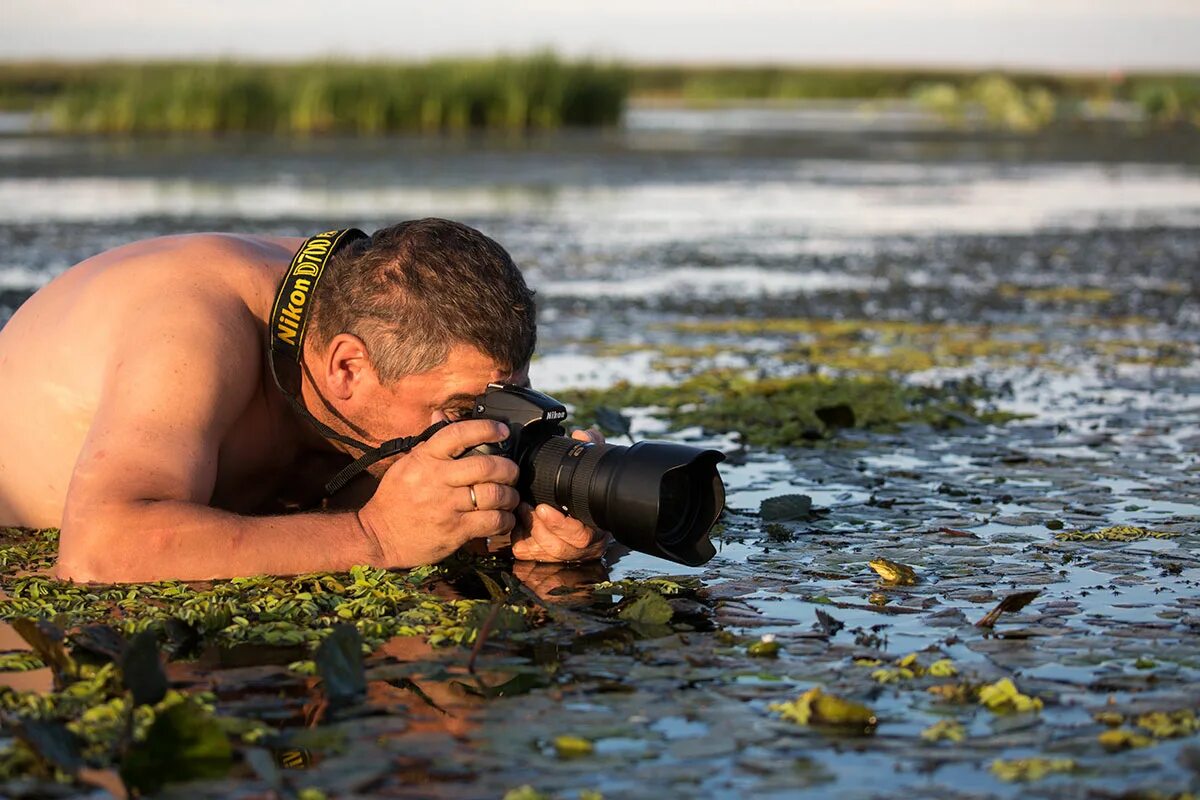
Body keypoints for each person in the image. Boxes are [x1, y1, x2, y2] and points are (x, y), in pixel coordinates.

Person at [0, 218, 609, 583]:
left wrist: (510, 523)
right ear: (348, 366)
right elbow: (101, 548)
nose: (484, 431)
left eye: (503, 403)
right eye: (458, 411)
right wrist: (377, 539)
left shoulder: (376, 312)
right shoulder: (193, 328)